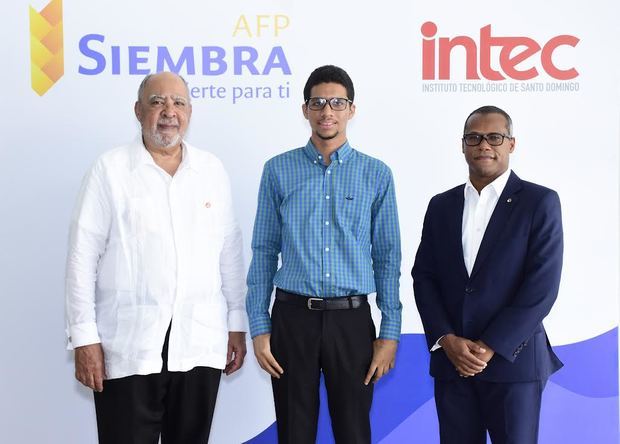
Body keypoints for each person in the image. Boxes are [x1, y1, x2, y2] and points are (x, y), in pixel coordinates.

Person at [65, 71, 247, 444]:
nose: (168, 111)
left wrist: (236, 322)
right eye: (157, 102)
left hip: (198, 343)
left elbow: (229, 250)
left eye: (178, 103)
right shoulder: (110, 170)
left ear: (190, 113)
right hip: (128, 346)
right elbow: (81, 257)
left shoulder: (211, 171)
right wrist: (84, 338)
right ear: (138, 110)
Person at [246, 65, 402, 444]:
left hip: (352, 322)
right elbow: (264, 250)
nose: (327, 111)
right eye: (318, 102)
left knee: (353, 432)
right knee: (294, 432)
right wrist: (259, 325)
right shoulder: (278, 170)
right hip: (291, 320)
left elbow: (387, 255)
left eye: (337, 102)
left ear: (351, 109)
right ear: (305, 110)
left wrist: (390, 332)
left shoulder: (375, 174)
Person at [412, 105, 564, 444]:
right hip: (453, 363)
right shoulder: (441, 205)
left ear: (511, 144)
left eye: (494, 137)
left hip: (515, 365)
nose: (484, 145)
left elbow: (542, 286)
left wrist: (490, 346)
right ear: (462, 145)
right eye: (474, 137)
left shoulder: (539, 202)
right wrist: (446, 340)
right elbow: (424, 277)